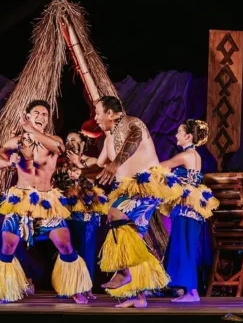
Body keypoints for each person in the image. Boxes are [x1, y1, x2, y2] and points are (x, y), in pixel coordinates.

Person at [0, 100, 93, 305]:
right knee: (8, 245)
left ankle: (75, 288)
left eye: (45, 114)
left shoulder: (53, 139)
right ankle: (4, 291)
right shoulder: (16, 141)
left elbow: (58, 148)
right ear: (28, 115)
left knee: (65, 245)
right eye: (37, 113)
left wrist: (31, 129)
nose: (41, 116)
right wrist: (8, 162)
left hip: (46, 200)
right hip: (20, 199)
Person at [83, 95, 179, 308]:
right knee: (135, 239)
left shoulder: (131, 122)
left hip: (144, 185)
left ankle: (124, 272)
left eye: (98, 112)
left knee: (114, 214)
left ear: (110, 113)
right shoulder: (110, 136)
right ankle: (139, 295)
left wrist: (116, 163)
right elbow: (99, 163)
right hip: (126, 188)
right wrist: (79, 162)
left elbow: (133, 139)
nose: (95, 117)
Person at [159, 119, 219, 303]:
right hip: (189, 207)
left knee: (185, 248)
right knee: (185, 247)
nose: (176, 135)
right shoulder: (195, 155)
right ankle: (184, 289)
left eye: (179, 131)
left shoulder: (186, 155)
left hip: (186, 207)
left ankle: (192, 292)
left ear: (188, 136)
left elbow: (160, 166)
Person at [58, 134, 109, 299]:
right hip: (68, 211)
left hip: (88, 212)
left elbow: (98, 175)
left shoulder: (91, 161)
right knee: (70, 250)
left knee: (88, 250)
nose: (70, 143)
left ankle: (87, 287)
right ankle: (72, 287)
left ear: (83, 143)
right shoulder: (61, 165)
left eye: (74, 140)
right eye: (68, 140)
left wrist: (79, 165)